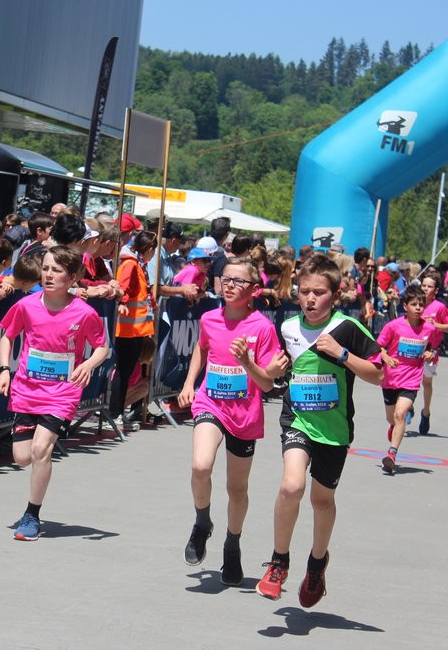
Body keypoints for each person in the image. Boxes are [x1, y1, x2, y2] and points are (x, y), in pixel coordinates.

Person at [257, 254, 384, 607]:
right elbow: (273, 375)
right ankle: (279, 562)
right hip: (297, 419)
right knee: (291, 485)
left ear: (336, 293)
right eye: (303, 291)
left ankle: (316, 563)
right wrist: (272, 368)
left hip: (335, 428)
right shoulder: (288, 328)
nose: (310, 299)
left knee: (321, 500)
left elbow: (378, 374)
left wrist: (343, 354)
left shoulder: (347, 328)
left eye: (319, 292)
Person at [177, 258, 288, 585]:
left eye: (238, 281)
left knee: (236, 488)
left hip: (245, 412)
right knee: (200, 466)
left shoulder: (263, 328)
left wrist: (247, 363)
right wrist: (188, 384)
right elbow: (202, 348)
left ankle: (232, 544)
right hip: (210, 402)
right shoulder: (210, 318)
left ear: (254, 290)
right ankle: (202, 523)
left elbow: (268, 383)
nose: (228, 285)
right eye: (226, 279)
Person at [0, 246, 110, 541]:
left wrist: (90, 364)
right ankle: (31, 503)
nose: (48, 275)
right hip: (27, 389)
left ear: (71, 278)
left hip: (62, 392)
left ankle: (32, 515)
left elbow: (102, 347)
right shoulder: (26, 305)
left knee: (40, 450)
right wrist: (4, 369)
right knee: (22, 457)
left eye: (56, 270)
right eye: (45, 268)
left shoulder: (84, 313)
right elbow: (7, 335)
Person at [376, 284, 438, 474]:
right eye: (414, 304)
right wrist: (386, 357)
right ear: (405, 306)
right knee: (392, 417)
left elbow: (433, 348)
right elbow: (378, 346)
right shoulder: (393, 326)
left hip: (411, 379)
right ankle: (394, 427)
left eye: (421, 304)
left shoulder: (429, 328)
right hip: (390, 378)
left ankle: (392, 454)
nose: (418, 308)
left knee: (400, 414)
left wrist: (430, 354)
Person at [112, 229, 157, 431]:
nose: (153, 254)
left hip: (137, 328)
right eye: (153, 250)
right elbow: (123, 288)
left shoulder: (140, 265)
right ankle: (115, 413)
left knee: (127, 370)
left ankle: (119, 412)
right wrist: (121, 301)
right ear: (148, 249)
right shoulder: (130, 265)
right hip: (126, 329)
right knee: (122, 371)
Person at [418, 272, 448, 435]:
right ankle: (408, 406)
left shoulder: (440, 307)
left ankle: (426, 411)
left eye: (429, 286)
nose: (425, 289)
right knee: (408, 379)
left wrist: (436, 324)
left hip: (431, 350)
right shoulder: (415, 302)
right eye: (423, 285)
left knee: (426, 382)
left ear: (436, 289)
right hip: (414, 348)